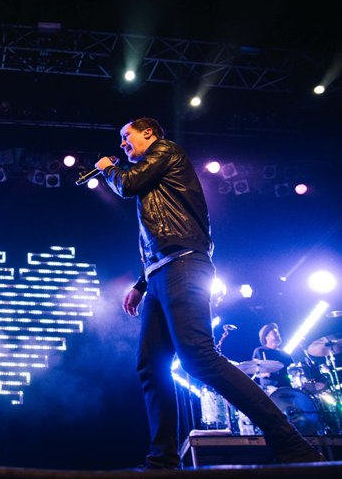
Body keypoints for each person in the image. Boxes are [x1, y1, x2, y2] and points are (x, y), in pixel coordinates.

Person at [94, 117, 324, 469]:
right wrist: (141, 284)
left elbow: (127, 185)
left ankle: (291, 443)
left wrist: (110, 168)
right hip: (159, 273)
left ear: (149, 133)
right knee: (150, 366)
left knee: (197, 357)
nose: (122, 144)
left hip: (184, 264)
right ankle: (162, 461)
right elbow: (157, 236)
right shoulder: (151, 177)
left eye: (127, 136)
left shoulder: (166, 152)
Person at [252, 323, 294, 391]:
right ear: (266, 337)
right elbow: (255, 371)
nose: (278, 335)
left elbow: (293, 371)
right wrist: (266, 374)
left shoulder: (285, 354)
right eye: (274, 333)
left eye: (278, 333)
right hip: (270, 389)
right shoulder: (260, 351)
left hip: (287, 388)